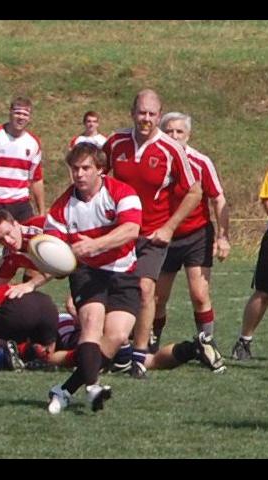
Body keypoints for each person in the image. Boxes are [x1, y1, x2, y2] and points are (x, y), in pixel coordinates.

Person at [103, 89, 203, 379]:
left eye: (151, 114)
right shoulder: (116, 142)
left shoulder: (171, 149)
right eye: (141, 112)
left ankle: (139, 354)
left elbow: (195, 191)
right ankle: (113, 348)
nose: (145, 118)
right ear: (132, 113)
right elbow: (98, 175)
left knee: (147, 290)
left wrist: (170, 227)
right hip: (120, 232)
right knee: (112, 289)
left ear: (159, 116)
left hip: (151, 234)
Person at [44, 142, 142, 414]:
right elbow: (54, 250)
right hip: (87, 273)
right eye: (74, 168)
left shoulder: (122, 192)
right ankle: (93, 387)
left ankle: (63, 390)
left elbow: (131, 229)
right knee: (91, 325)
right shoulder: (61, 207)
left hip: (124, 272)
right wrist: (56, 264)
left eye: (86, 168)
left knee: (117, 335)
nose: (79, 174)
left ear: (101, 169)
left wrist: (96, 245)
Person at [150, 112, 230, 351]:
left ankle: (206, 343)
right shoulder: (156, 159)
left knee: (199, 293)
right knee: (157, 297)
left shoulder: (201, 162)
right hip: (164, 236)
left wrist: (223, 236)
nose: (174, 136)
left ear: (188, 135)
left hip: (196, 235)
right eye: (169, 131)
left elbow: (218, 198)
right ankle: (151, 341)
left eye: (179, 132)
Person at [0, 96, 45, 290]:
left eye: (25, 114)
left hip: (20, 205)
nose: (21, 117)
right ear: (10, 112)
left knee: (33, 258)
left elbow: (36, 179)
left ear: (30, 117)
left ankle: (24, 298)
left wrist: (41, 210)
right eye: (17, 112)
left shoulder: (33, 143)